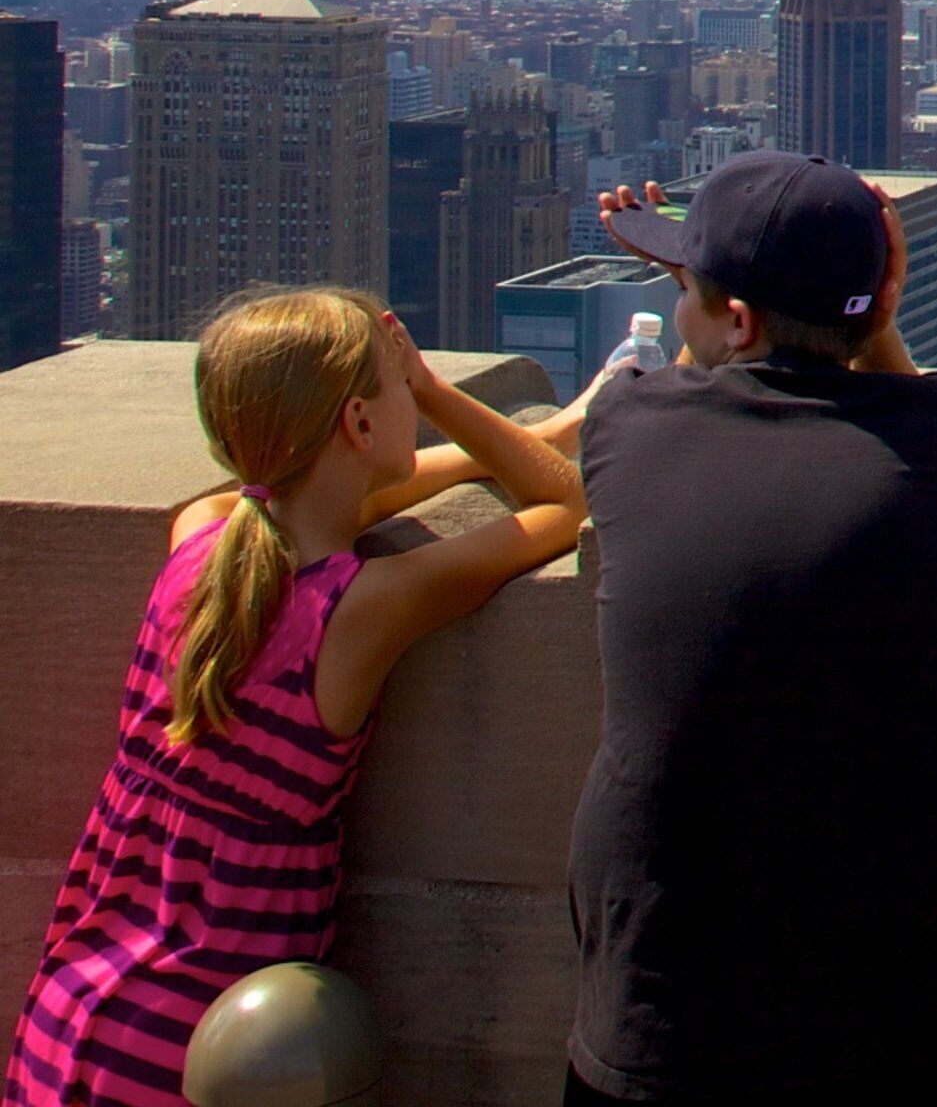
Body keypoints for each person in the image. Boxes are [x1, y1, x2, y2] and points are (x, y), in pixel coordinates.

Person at [10, 290, 587, 1107]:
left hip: (73, 1014)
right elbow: (566, 505)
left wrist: (526, 435)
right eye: (393, 393)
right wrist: (432, 390)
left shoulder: (202, 533)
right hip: (205, 1047)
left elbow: (341, 500)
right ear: (358, 423)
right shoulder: (360, 611)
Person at [567, 152, 937, 1106]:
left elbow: (696, 380)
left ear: (731, 319)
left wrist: (708, 294)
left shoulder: (627, 428)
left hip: (663, 1020)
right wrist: (864, 318)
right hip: (899, 1015)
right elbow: (906, 396)